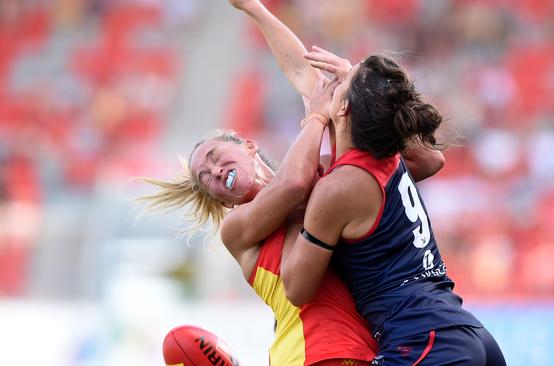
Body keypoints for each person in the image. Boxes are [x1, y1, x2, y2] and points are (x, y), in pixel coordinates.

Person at [142, 1, 444, 365]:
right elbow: (293, 184)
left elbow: (423, 161)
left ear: (248, 146)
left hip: (365, 352)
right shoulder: (238, 226)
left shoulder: (329, 178)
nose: (215, 172)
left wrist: (360, 96)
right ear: (221, 202)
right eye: (207, 178)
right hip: (312, 355)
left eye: (215, 157)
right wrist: (321, 112)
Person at [278, 49, 507, 365]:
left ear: (343, 107)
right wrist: (253, 8)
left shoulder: (340, 186)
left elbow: (296, 288)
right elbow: (432, 157)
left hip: (425, 341)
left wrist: (315, 120)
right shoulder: (388, 158)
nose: (335, 80)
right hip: (466, 334)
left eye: (344, 79)